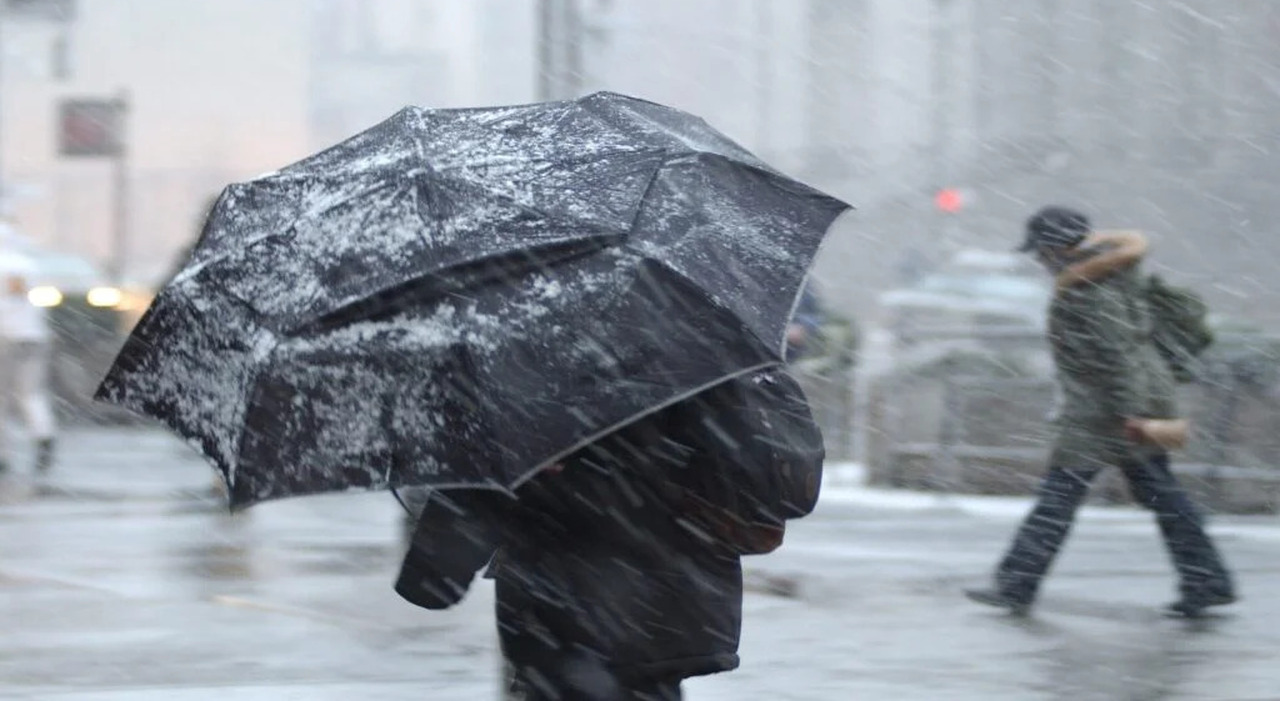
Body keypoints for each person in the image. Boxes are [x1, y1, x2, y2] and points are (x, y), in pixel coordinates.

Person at [396, 368, 824, 699]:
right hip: (673, 612)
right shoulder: (695, 329)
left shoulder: (537, 351)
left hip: (565, 616)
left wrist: (433, 571)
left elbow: (483, 478)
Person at [965, 206, 1236, 619]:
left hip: (1107, 412)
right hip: (1131, 402)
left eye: (1041, 250)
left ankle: (1016, 584)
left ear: (1059, 248)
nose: (1039, 259)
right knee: (1161, 495)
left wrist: (1131, 412)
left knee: (1059, 497)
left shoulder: (1087, 290)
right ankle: (1206, 581)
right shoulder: (1112, 278)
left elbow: (1118, 356)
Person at [0, 249, 56, 472]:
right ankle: (44, 435)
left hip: (5, 337)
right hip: (33, 337)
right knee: (30, 394)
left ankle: (3, 453)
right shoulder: (28, 264)